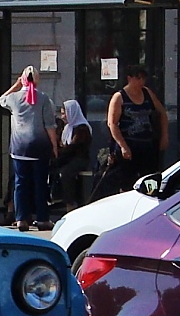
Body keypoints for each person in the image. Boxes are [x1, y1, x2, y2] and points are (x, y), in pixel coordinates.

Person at [91, 67, 169, 200]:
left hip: (148, 145)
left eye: (143, 78)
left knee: (150, 180)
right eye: (138, 78)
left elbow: (162, 113)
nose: (141, 82)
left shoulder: (147, 93)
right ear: (129, 78)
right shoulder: (119, 97)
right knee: (127, 182)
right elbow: (112, 124)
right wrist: (123, 146)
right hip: (129, 146)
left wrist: (164, 135)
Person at [0, 65, 58, 231]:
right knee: (40, 184)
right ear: (37, 80)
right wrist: (54, 146)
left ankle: (21, 219)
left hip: (19, 148)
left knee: (20, 184)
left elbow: (1, 99)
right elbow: (50, 126)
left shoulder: (14, 98)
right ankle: (42, 219)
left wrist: (16, 85)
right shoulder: (44, 99)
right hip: (40, 148)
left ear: (22, 79)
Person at [50, 99, 92, 211]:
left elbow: (74, 148)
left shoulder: (82, 129)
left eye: (65, 113)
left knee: (65, 173)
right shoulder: (67, 128)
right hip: (67, 158)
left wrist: (59, 155)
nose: (63, 117)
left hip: (79, 159)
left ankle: (70, 203)